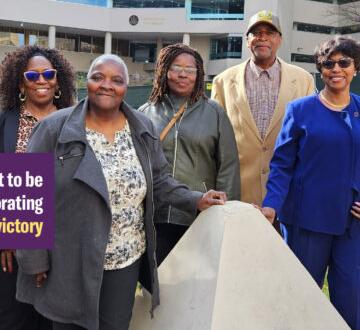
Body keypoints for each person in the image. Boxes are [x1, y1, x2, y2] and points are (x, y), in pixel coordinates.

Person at [16, 54, 227, 330]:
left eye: (116, 80)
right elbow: (29, 194)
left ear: (126, 87)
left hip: (124, 259)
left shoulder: (142, 127)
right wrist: (33, 257)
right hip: (71, 258)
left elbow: (159, 179)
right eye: (97, 77)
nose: (106, 85)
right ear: (86, 83)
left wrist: (196, 199)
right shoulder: (55, 128)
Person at [259, 35, 360, 330]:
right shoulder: (299, 110)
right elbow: (281, 165)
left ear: (355, 68)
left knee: (351, 300)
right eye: (328, 63)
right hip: (306, 222)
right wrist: (271, 207)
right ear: (320, 69)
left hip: (352, 225)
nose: (336, 68)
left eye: (344, 62)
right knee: (300, 298)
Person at [0, 45, 75, 330]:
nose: (41, 80)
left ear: (58, 80)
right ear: (21, 83)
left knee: (54, 320)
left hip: (62, 241)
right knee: (13, 318)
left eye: (48, 74)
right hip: (13, 246)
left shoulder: (76, 124)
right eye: (32, 75)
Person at [139, 43, 240, 266]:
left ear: (199, 75)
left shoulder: (214, 113)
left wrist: (226, 215)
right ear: (163, 71)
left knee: (196, 283)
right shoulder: (145, 114)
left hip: (200, 215)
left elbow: (228, 167)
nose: (183, 74)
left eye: (190, 69)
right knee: (157, 283)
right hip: (156, 217)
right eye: (175, 68)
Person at [211, 10, 315, 208]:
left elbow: (309, 137)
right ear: (247, 40)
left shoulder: (303, 79)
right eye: (256, 33)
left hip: (288, 191)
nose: (263, 38)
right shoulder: (222, 82)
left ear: (280, 40)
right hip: (238, 193)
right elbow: (216, 141)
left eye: (269, 33)